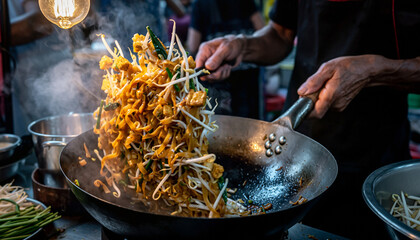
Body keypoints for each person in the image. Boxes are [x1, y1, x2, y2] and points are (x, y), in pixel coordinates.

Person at [195, 1, 420, 239]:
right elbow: (280, 34)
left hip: (376, 162)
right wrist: (242, 45)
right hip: (293, 152)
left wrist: (374, 71)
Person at [187, 0, 265, 119]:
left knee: (220, 128)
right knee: (251, 127)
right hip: (248, 78)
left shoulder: (200, 4)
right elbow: (262, 30)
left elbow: (192, 45)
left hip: (217, 79)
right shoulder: (247, 2)